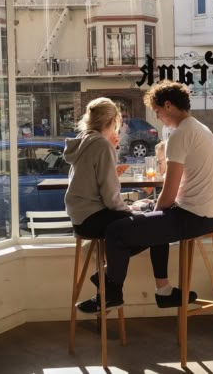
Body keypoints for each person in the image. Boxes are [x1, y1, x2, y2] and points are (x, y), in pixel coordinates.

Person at [99, 80, 213, 311]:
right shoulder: (201, 128)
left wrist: (151, 210)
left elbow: (169, 191)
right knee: (155, 221)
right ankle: (162, 291)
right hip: (211, 214)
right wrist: (151, 211)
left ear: (168, 106)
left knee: (116, 231)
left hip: (194, 217)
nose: (157, 117)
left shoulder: (179, 135)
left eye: (157, 111)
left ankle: (110, 290)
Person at [63, 97, 134, 313]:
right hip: (93, 217)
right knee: (146, 227)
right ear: (113, 120)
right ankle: (109, 283)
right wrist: (130, 210)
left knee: (129, 227)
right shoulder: (101, 145)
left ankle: (108, 285)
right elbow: (111, 195)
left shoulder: (83, 141)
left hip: (79, 217)